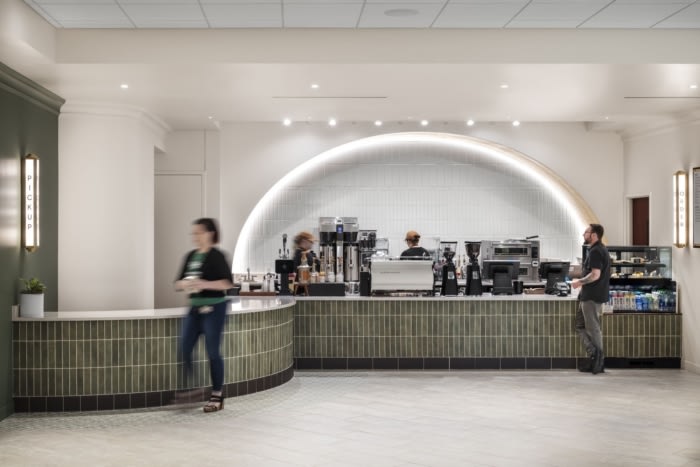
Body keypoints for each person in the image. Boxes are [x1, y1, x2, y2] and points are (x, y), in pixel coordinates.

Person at [174, 218, 233, 412]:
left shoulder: (217, 256)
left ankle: (217, 395)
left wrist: (204, 284)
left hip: (214, 309)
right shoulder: (190, 256)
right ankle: (194, 389)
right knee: (184, 348)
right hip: (194, 309)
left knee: (213, 352)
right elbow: (177, 283)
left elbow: (227, 283)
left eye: (199, 232)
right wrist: (185, 284)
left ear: (210, 233)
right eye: (194, 233)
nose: (195, 236)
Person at [571, 223, 610, 375]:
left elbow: (595, 275)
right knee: (580, 326)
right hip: (589, 295)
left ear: (594, 235)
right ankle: (594, 355)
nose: (583, 234)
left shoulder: (596, 251)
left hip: (592, 296)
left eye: (586, 232)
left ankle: (598, 362)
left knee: (593, 329)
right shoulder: (598, 249)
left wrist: (579, 282)